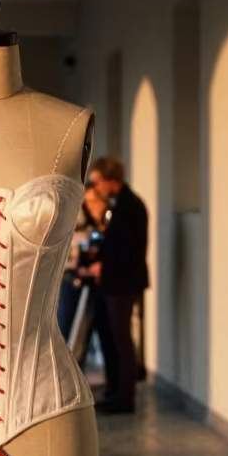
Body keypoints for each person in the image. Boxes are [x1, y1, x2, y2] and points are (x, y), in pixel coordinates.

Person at [85, 156, 149, 414]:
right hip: (113, 283)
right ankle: (114, 390)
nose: (96, 188)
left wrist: (102, 265)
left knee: (122, 340)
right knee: (110, 336)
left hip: (123, 283)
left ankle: (125, 397)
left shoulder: (130, 206)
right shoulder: (117, 205)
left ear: (111, 180)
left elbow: (127, 250)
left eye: (98, 182)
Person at [58, 182, 106, 339]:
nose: (93, 205)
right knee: (67, 324)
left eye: (96, 201)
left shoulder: (100, 226)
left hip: (93, 282)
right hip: (71, 277)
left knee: (84, 331)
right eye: (90, 201)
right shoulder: (77, 223)